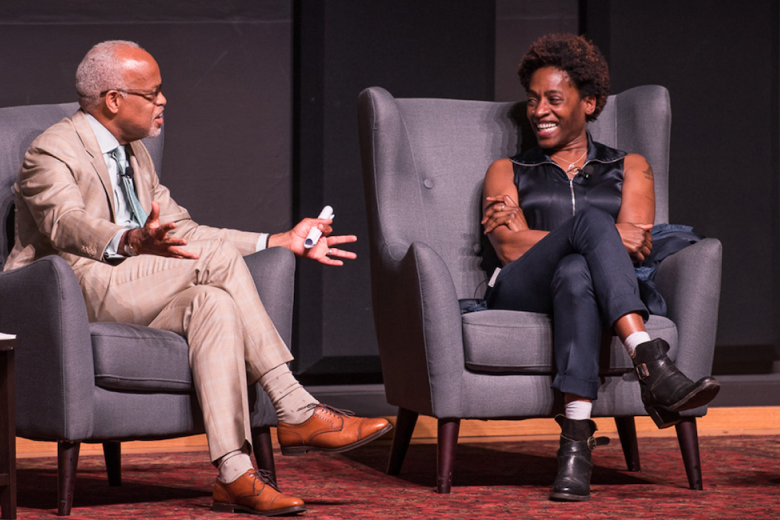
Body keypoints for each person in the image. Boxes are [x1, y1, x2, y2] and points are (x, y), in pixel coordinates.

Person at [5, 40, 391, 516]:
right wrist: (129, 240)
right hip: (68, 288)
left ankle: (234, 473)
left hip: (134, 285)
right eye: (153, 93)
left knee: (215, 303)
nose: (163, 101)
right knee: (218, 263)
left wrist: (276, 240)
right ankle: (295, 407)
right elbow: (64, 224)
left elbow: (185, 231)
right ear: (113, 99)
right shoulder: (53, 148)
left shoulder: (135, 155)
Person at [480, 33, 720, 502]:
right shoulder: (506, 169)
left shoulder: (631, 166)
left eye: (553, 99)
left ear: (589, 103)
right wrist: (600, 233)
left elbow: (636, 249)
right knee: (593, 227)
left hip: (587, 288)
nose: (539, 111)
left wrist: (579, 240)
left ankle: (575, 445)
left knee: (576, 272)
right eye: (532, 100)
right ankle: (651, 361)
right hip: (523, 286)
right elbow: (510, 249)